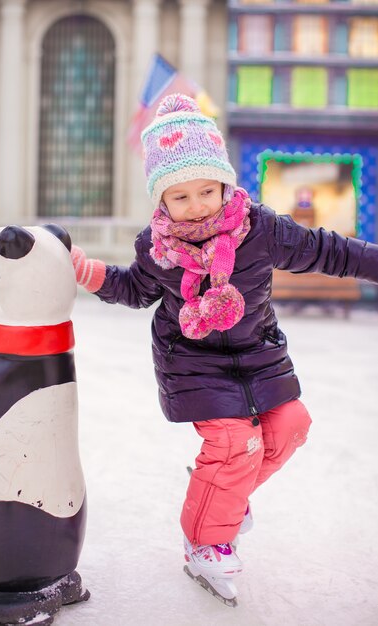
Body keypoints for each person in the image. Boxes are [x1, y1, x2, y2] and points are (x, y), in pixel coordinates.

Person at [71, 93, 378, 606]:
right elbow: (135, 289)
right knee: (236, 445)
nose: (196, 207)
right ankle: (205, 541)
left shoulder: (263, 230)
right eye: (180, 197)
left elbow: (331, 250)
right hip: (191, 363)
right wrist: (90, 273)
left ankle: (223, 495)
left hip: (259, 355)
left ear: (224, 183)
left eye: (206, 191)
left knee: (290, 426)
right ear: (161, 200)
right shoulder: (158, 248)